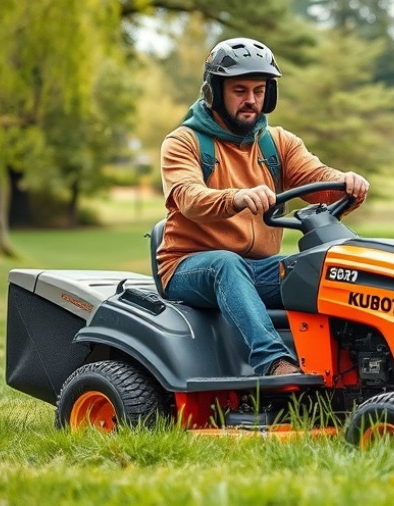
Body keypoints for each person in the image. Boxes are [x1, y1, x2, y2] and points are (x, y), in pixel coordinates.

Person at [157, 38, 369, 376]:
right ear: (213, 91)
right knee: (226, 264)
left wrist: (346, 182)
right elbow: (188, 198)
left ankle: (356, 367)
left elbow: (318, 178)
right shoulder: (183, 142)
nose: (251, 100)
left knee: (325, 268)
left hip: (259, 269)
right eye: (240, 90)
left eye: (259, 91)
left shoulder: (278, 142)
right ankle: (274, 363)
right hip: (190, 266)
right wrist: (236, 197)